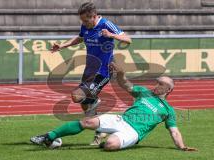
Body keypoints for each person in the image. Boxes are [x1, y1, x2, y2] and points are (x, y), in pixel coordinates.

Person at [30, 62, 197, 151]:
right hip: (120, 119)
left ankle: (105, 140)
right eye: (157, 82)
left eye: (160, 84)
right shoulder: (143, 92)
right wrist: (121, 74)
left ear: (168, 90)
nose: (156, 85)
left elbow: (174, 131)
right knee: (87, 122)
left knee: (110, 145)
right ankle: (49, 136)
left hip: (133, 132)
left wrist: (181, 146)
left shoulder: (168, 110)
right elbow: (125, 85)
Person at [49, 2, 132, 145]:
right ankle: (100, 131)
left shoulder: (106, 24)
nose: (84, 23)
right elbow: (80, 37)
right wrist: (63, 45)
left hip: (104, 71)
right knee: (85, 105)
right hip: (90, 70)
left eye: (86, 21)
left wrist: (111, 34)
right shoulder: (85, 26)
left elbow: (128, 39)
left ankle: (96, 106)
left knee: (77, 96)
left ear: (94, 16)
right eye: (82, 21)